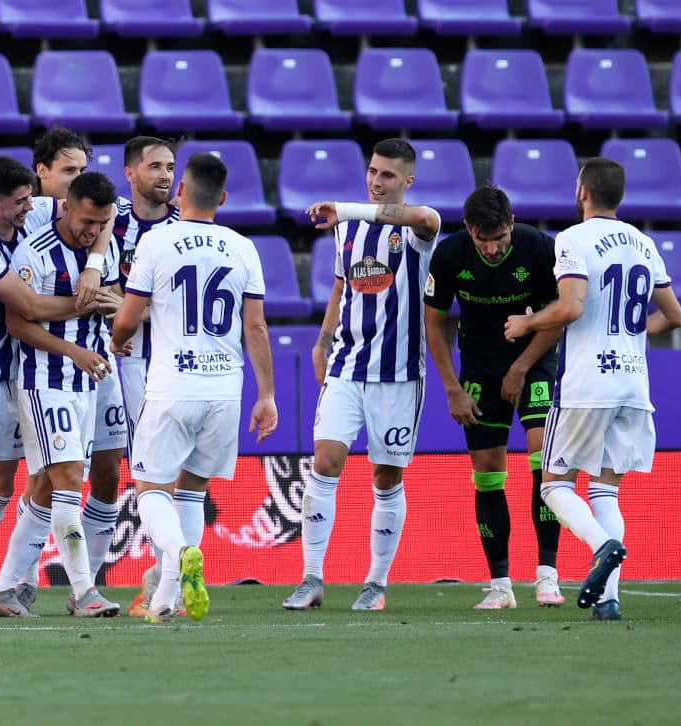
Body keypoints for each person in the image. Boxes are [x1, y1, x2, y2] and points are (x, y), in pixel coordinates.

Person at [504, 157, 681, 621]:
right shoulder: (644, 243)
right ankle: (609, 602)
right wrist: (628, 337)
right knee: (605, 492)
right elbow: (675, 315)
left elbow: (570, 308)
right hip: (632, 384)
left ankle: (604, 545)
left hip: (586, 385)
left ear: (582, 190)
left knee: (553, 486)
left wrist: (527, 321)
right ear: (619, 196)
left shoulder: (573, 239)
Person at [110, 152, 278, 623]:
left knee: (151, 490)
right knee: (191, 491)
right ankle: (167, 600)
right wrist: (266, 396)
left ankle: (182, 551)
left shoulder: (158, 242)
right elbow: (257, 328)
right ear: (223, 198)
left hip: (171, 385)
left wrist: (118, 341)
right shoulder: (244, 247)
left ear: (180, 191)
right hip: (226, 389)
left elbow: (128, 315)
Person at [283, 139, 441, 612]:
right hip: (347, 365)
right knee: (324, 462)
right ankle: (311, 577)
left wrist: (351, 208)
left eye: (388, 175)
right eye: (373, 171)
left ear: (407, 181)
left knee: (386, 476)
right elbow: (339, 286)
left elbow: (427, 218)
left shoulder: (416, 229)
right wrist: (321, 340)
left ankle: (376, 581)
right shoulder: (348, 228)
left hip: (398, 374)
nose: (376, 181)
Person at [0, 155, 102, 618]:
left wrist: (92, 267)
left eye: (30, 198)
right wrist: (88, 302)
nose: (29, 207)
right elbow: (26, 306)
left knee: (15, 483)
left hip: (13, 376)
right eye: (19, 201)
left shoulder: (26, 218)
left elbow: (102, 214)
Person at [0, 172, 119, 618]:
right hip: (46, 380)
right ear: (66, 208)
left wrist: (113, 303)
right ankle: (85, 592)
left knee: (43, 487)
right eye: (86, 222)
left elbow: (116, 297)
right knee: (68, 482)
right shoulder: (34, 253)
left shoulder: (105, 247)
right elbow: (18, 323)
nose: (92, 231)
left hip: (87, 384)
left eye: (100, 224)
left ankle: (3, 589)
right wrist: (74, 350)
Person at [423, 186, 565, 610]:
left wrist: (521, 368)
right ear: (468, 229)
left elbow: (557, 318)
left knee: (544, 460)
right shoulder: (450, 255)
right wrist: (451, 389)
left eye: (499, 238)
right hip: (479, 367)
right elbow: (434, 324)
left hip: (535, 358)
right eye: (482, 239)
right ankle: (500, 586)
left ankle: (547, 576)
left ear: (512, 224)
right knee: (487, 472)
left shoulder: (539, 248)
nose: (491, 248)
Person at [77, 135, 181, 618]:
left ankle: (163, 583)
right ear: (131, 174)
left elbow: (181, 308)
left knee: (160, 475)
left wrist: (132, 308)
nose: (165, 175)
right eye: (155, 166)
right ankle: (70, 584)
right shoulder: (106, 216)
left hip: (152, 365)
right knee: (82, 473)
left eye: (171, 166)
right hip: (90, 358)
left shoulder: (186, 228)